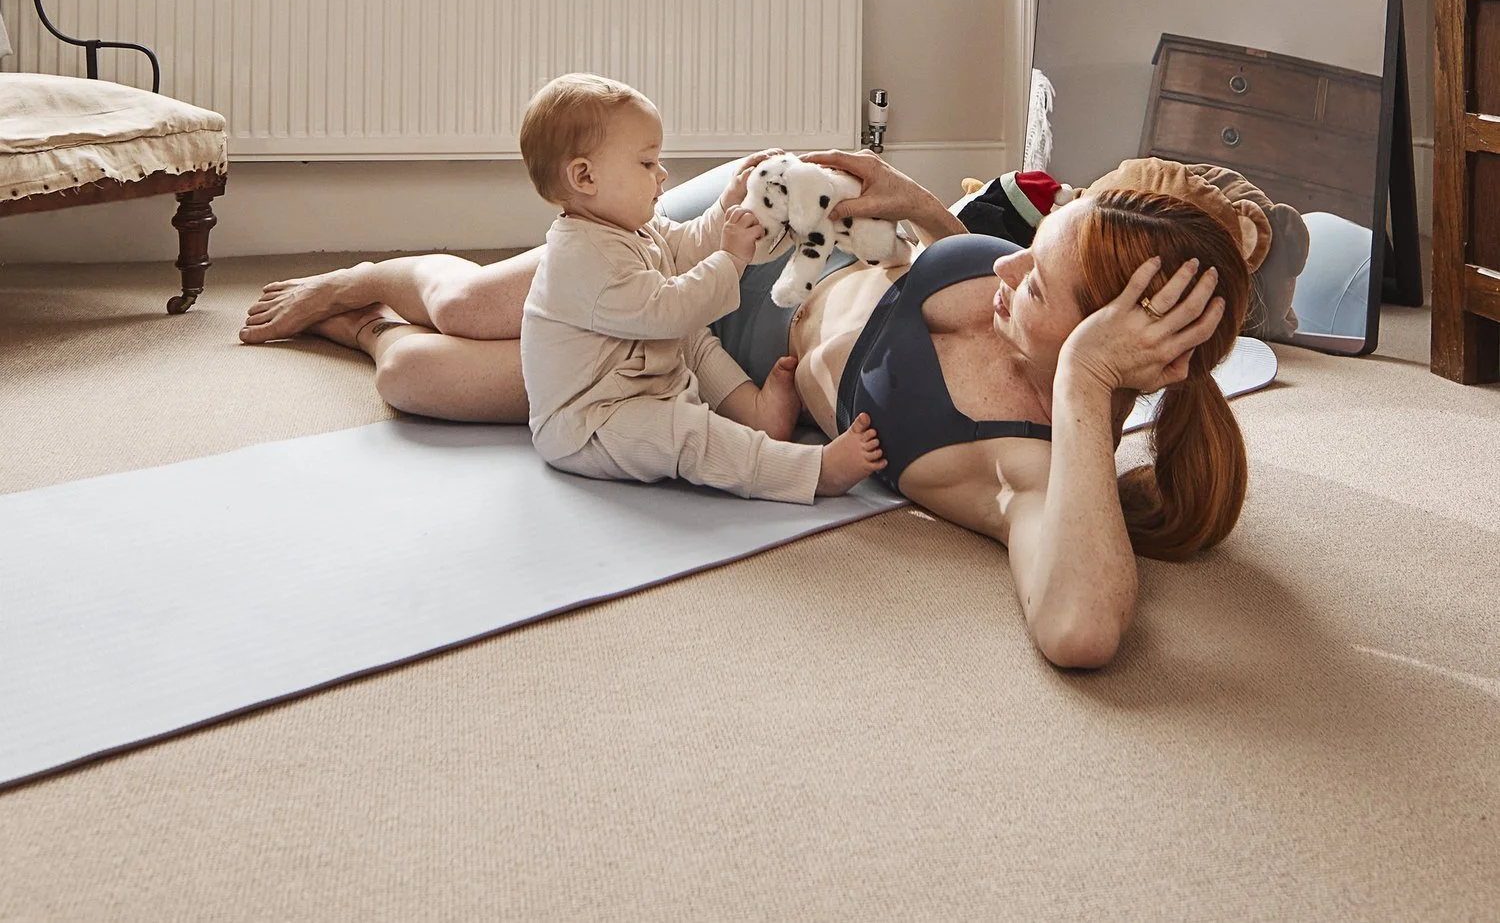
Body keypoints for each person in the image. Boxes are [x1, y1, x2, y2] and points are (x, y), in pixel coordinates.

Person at [240, 148, 1240, 669]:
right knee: (463, 303)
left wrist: (1083, 386)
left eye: (1038, 281)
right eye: (1035, 240)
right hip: (748, 243)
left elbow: (1079, 630)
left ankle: (367, 326)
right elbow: (948, 260)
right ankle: (366, 275)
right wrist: (920, 206)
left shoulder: (1024, 464)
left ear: (1099, 353)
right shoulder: (1015, 280)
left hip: (697, 371)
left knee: (417, 379)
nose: (1007, 262)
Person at [515, 74, 885, 501]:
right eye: (646, 163)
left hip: (641, 379)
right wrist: (730, 259)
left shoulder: (631, 228)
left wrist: (727, 204)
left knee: (694, 341)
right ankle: (811, 473)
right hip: (593, 422)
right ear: (585, 176)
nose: (662, 174)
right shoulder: (581, 257)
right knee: (688, 435)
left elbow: (686, 246)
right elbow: (667, 310)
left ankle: (756, 413)